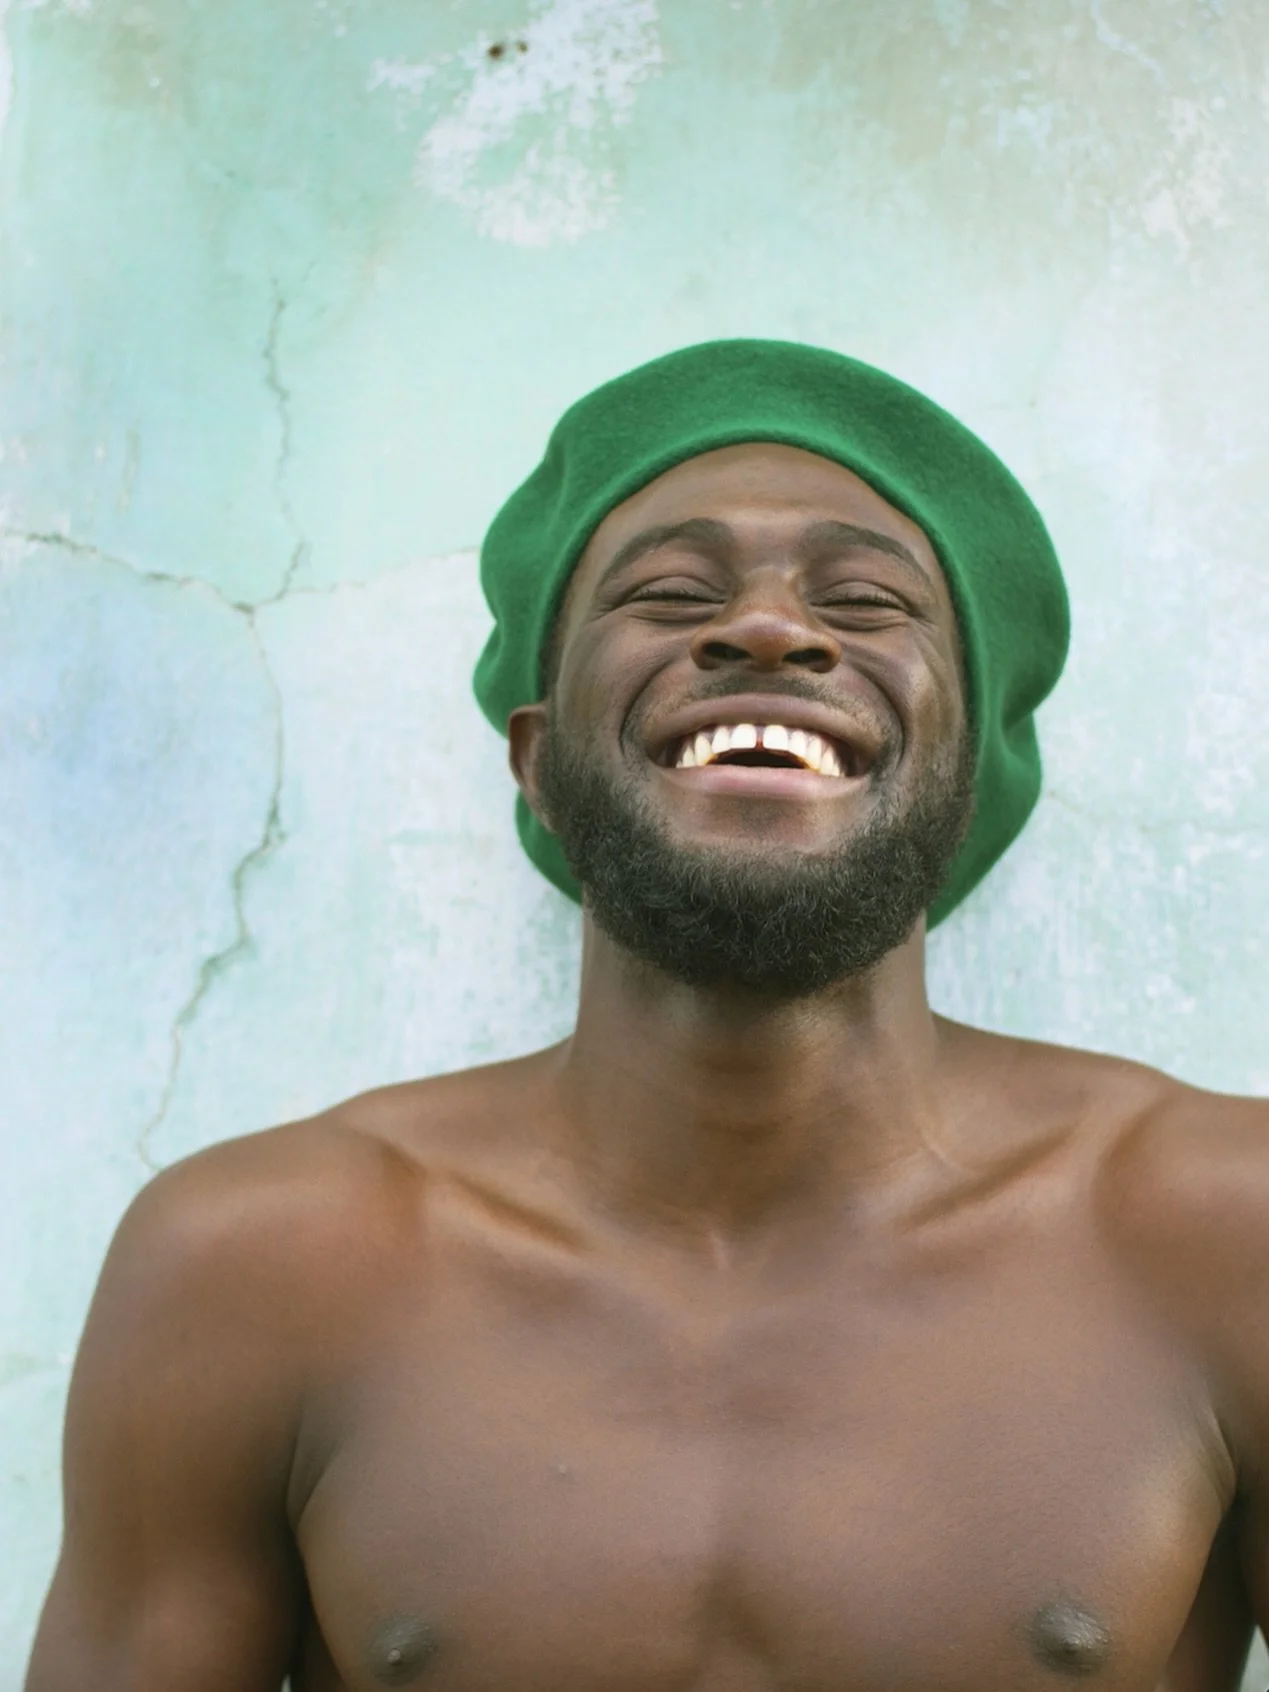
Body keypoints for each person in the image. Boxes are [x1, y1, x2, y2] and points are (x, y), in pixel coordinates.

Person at [24, 340, 1269, 1692]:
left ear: (970, 783)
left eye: (865, 598)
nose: (774, 631)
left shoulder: (1221, 1235)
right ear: (539, 763)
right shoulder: (256, 1266)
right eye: (672, 591)